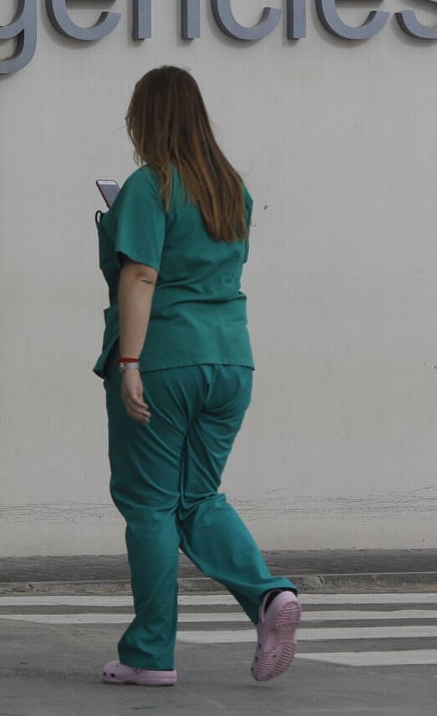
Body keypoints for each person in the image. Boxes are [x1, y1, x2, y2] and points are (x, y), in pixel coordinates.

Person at [93, 66, 300, 687]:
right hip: (231, 360)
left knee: (150, 504)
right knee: (198, 497)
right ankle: (268, 597)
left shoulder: (148, 186)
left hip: (166, 358)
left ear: (147, 119)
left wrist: (129, 363)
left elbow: (142, 276)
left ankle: (151, 653)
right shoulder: (231, 189)